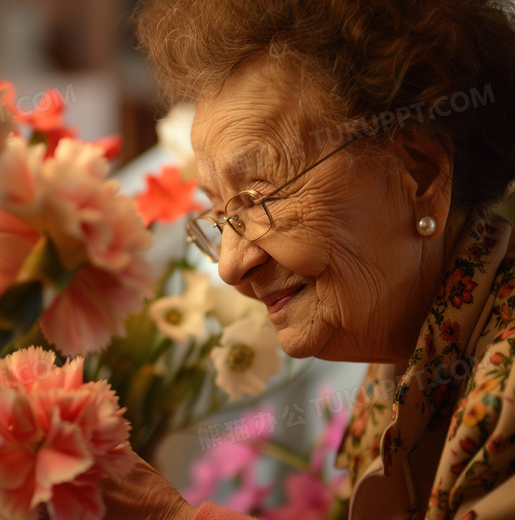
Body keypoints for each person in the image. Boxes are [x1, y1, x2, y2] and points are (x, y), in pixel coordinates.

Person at [101, 0, 515, 518]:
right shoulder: (401, 376)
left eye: (262, 197)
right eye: (220, 216)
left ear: (421, 174)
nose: (231, 266)